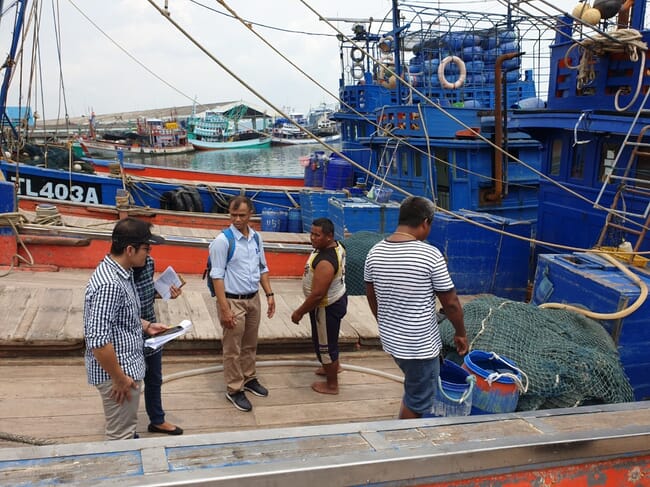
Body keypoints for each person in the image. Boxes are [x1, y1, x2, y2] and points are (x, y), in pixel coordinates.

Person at [364, 196, 468, 419]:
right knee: (418, 400)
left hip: (392, 340)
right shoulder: (430, 255)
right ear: (425, 222)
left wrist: (384, 322)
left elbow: (371, 296)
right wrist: (460, 333)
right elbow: (450, 303)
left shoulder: (375, 252)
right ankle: (404, 439)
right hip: (419, 347)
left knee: (414, 387)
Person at [83, 217, 168, 440]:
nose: (148, 254)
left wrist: (146, 325)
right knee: (119, 438)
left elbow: (118, 317)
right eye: (146, 249)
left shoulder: (123, 273)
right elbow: (98, 341)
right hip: (119, 375)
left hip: (126, 368)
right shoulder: (110, 284)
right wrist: (119, 378)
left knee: (126, 430)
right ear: (130, 249)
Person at [208, 196, 275, 412]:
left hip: (252, 298)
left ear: (250, 215)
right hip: (232, 300)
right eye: (233, 215)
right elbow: (216, 276)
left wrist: (269, 294)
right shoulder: (222, 241)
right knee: (232, 348)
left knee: (250, 343)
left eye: (242, 215)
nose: (237, 219)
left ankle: (249, 377)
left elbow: (262, 267)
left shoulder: (256, 238)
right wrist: (224, 309)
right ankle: (234, 388)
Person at [291, 218, 348, 395]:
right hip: (337, 298)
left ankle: (332, 385)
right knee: (330, 339)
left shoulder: (325, 262)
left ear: (329, 236)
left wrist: (299, 312)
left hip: (325, 307)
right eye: (312, 233)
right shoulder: (337, 246)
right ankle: (332, 367)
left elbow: (317, 294)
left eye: (317, 235)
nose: (312, 238)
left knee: (324, 345)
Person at [133, 254, 184, 436]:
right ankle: (126, 429)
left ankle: (157, 420)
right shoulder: (117, 272)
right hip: (128, 332)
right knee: (130, 382)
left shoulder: (149, 262)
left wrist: (165, 292)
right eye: (145, 247)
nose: (148, 253)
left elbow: (147, 293)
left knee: (154, 378)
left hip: (152, 329)